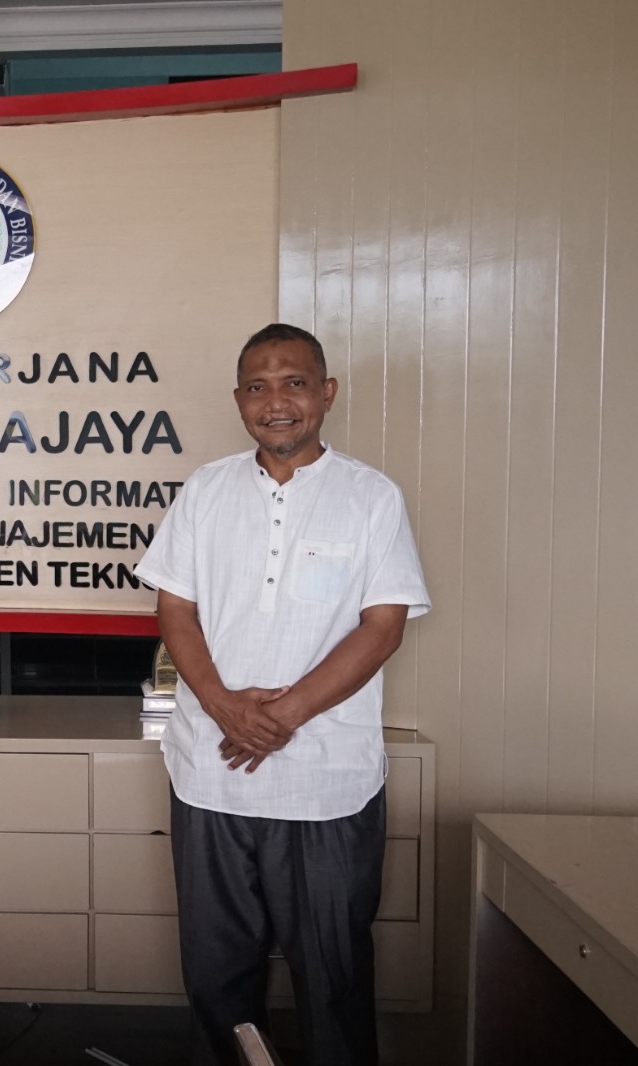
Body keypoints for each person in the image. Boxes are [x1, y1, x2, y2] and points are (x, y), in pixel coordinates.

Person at [134, 324, 430, 1066]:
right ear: (239, 400)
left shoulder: (370, 497)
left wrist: (282, 716)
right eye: (258, 387)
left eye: (294, 383)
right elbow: (175, 610)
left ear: (326, 393)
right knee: (217, 977)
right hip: (211, 775)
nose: (276, 402)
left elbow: (383, 627)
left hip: (325, 782)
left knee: (333, 977)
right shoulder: (205, 490)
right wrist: (225, 708)